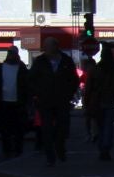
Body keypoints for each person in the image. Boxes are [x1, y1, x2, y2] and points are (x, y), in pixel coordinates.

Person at [30, 36, 81, 164]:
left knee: (62, 127)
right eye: (45, 46)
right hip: (45, 100)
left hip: (62, 99)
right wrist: (37, 94)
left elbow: (73, 79)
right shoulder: (40, 61)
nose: (45, 49)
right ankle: (50, 157)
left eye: (48, 46)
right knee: (46, 128)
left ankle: (60, 147)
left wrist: (69, 94)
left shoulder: (66, 61)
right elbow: (31, 79)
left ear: (55, 46)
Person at [0, 46, 32, 157]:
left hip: (18, 102)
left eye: (13, 53)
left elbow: (26, 86)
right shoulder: (0, 68)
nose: (11, 55)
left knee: (19, 128)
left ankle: (18, 149)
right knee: (5, 129)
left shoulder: (21, 68)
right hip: (3, 102)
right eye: (10, 53)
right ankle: (7, 149)